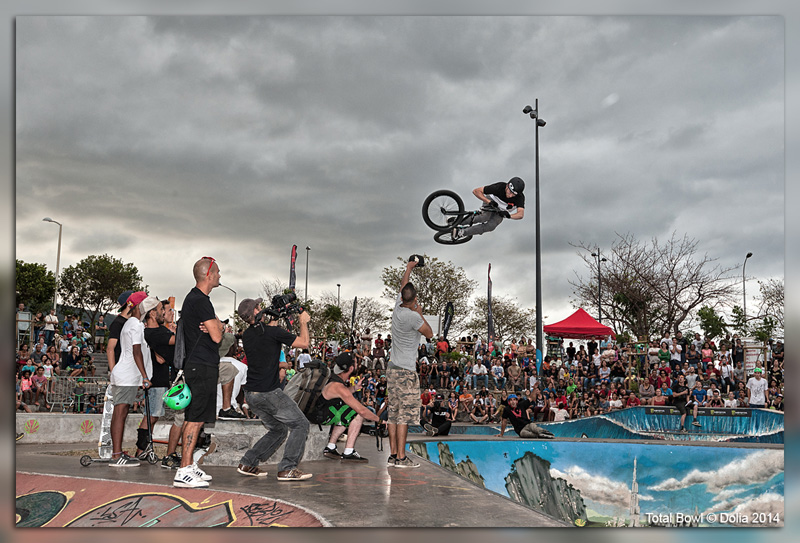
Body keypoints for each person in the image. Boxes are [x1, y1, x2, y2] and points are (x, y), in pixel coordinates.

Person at [235, 296, 313, 481]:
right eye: (259, 306)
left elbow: (266, 335)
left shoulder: (248, 334)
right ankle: (287, 468)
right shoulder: (273, 332)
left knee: (278, 430)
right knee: (301, 424)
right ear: (256, 311)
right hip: (268, 393)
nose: (262, 307)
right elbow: (304, 343)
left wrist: (275, 316)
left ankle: (248, 462)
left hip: (252, 395)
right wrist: (303, 322)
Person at [173, 257, 224, 488]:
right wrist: (218, 325)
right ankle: (183, 469)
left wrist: (216, 323)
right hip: (201, 365)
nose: (220, 276)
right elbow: (217, 336)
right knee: (194, 418)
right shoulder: (200, 300)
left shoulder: (195, 299)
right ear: (208, 274)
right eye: (218, 272)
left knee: (197, 416)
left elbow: (215, 328)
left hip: (200, 364)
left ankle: (189, 465)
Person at [387, 258, 433, 468]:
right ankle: (402, 458)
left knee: (393, 413)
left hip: (392, 369)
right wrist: (419, 312)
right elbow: (430, 333)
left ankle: (393, 454)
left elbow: (403, 286)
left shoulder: (397, 309)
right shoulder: (413, 317)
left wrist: (409, 269)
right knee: (404, 415)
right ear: (414, 299)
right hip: (406, 371)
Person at [108, 291, 152, 467]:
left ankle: (117, 453)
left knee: (121, 413)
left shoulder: (131, 323)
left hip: (124, 374)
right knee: (120, 413)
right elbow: (136, 351)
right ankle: (117, 455)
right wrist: (144, 376)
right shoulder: (135, 324)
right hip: (126, 375)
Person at [319, 353, 383, 462]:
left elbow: (341, 393)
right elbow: (362, 410)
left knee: (347, 412)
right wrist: (379, 420)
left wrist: (355, 388)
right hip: (322, 417)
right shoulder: (338, 386)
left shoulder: (333, 379)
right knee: (356, 414)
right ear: (351, 368)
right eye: (356, 362)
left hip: (323, 412)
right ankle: (348, 452)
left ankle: (331, 447)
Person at [453, 177, 525, 240]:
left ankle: (462, 232)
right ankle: (456, 221)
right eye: (510, 191)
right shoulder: (499, 187)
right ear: (507, 186)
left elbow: (520, 214)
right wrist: (489, 202)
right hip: (492, 201)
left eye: (514, 194)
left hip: (502, 211)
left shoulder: (519, 198)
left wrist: (508, 216)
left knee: (491, 226)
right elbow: (476, 191)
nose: (510, 195)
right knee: (484, 217)